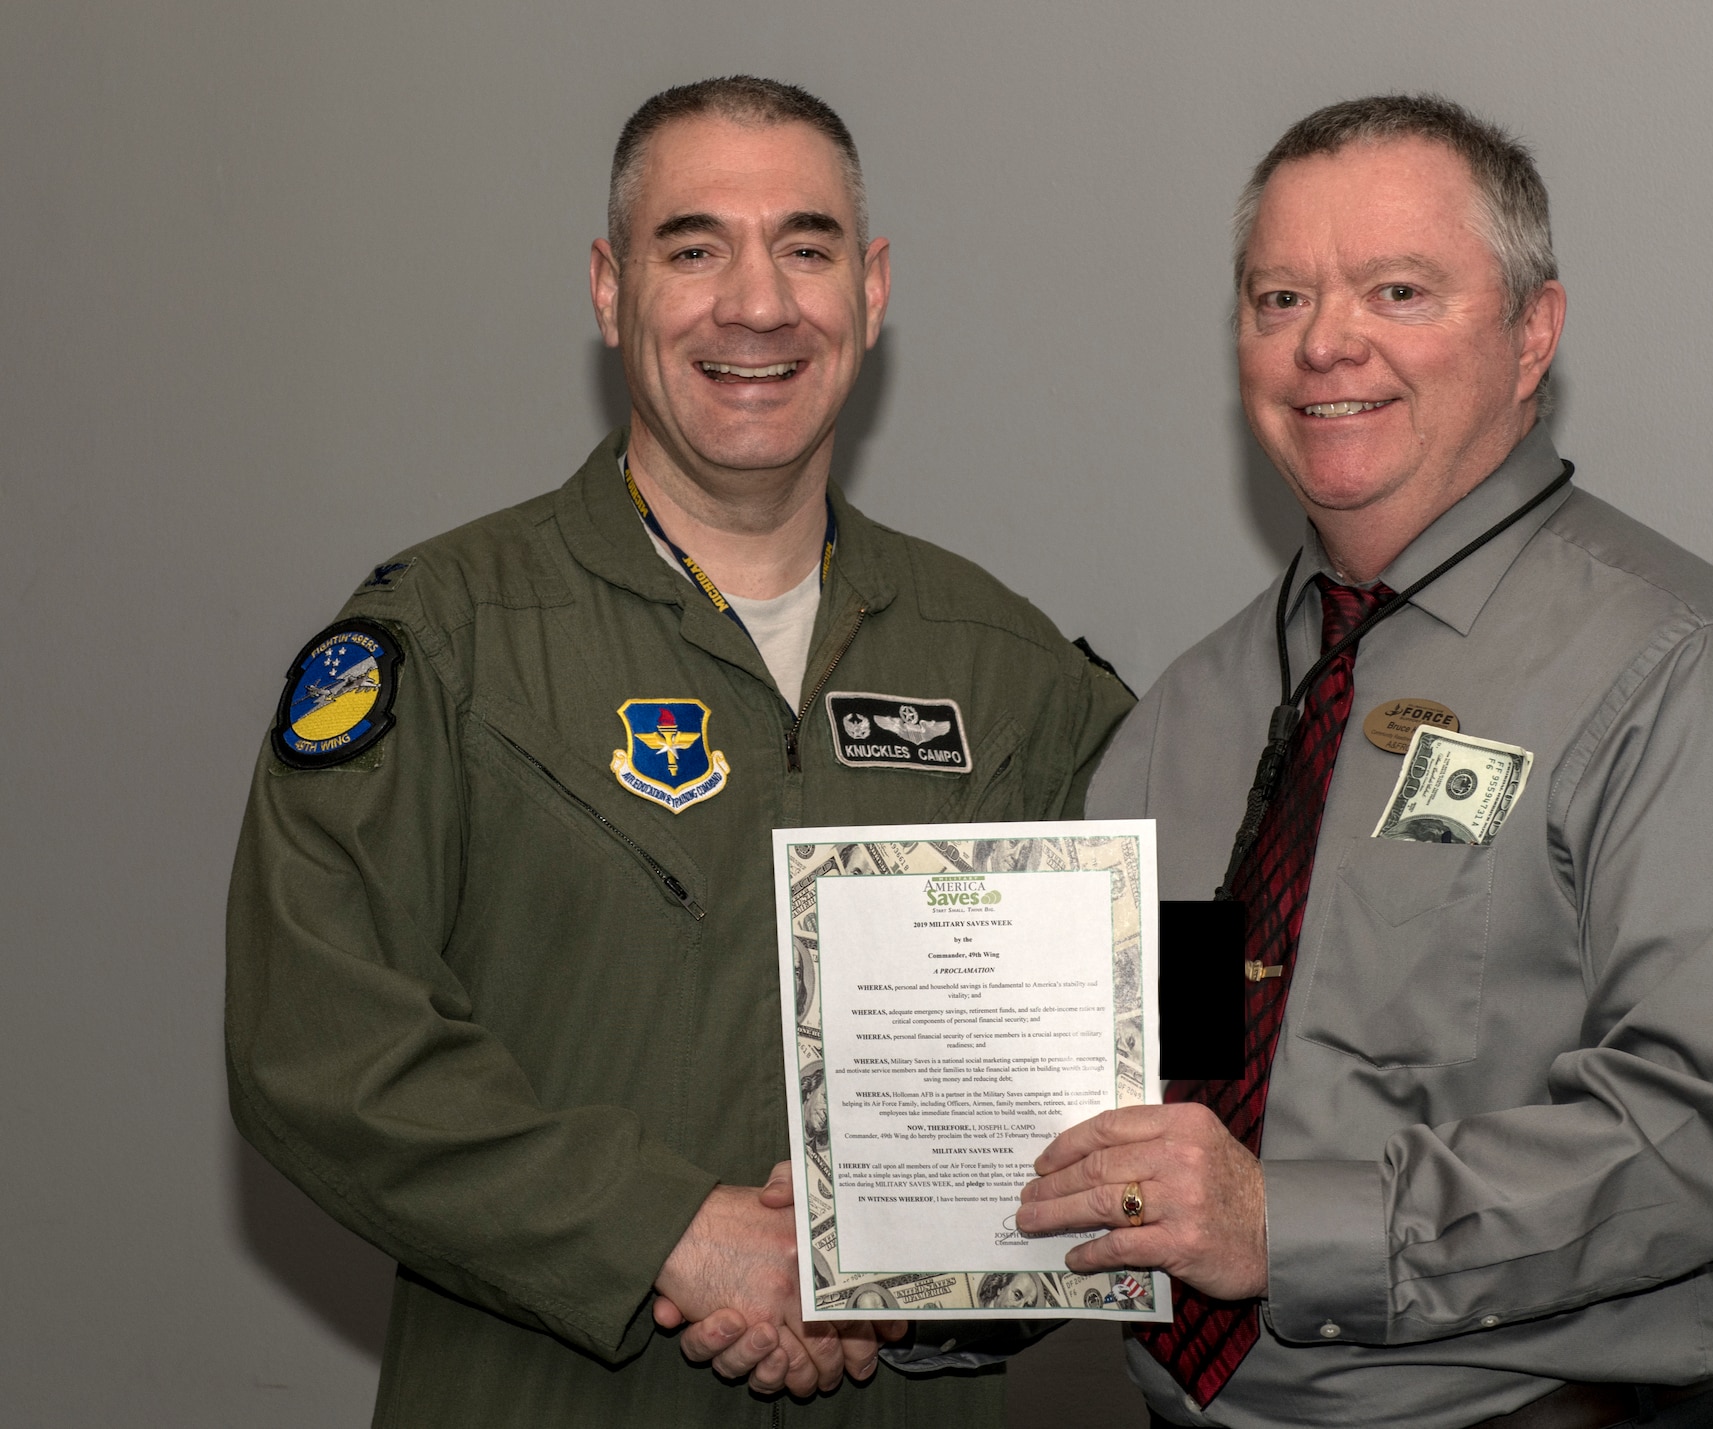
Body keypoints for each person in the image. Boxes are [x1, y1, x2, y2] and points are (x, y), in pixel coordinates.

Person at [226, 75, 1132, 1428]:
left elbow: (1149, 1073)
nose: (756, 302)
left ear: (872, 293)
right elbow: (319, 1043)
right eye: (694, 247)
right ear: (608, 290)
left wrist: (898, 1280)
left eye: (807, 247)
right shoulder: (448, 641)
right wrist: (672, 1230)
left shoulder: (1014, 674)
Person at [1016, 95, 1713, 1429]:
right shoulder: (1186, 715)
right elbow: (1162, 1089)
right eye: (1280, 295)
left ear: (1533, 333)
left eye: (1399, 290)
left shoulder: (1685, 674)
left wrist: (1287, 1222)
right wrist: (918, 1248)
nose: (1326, 341)